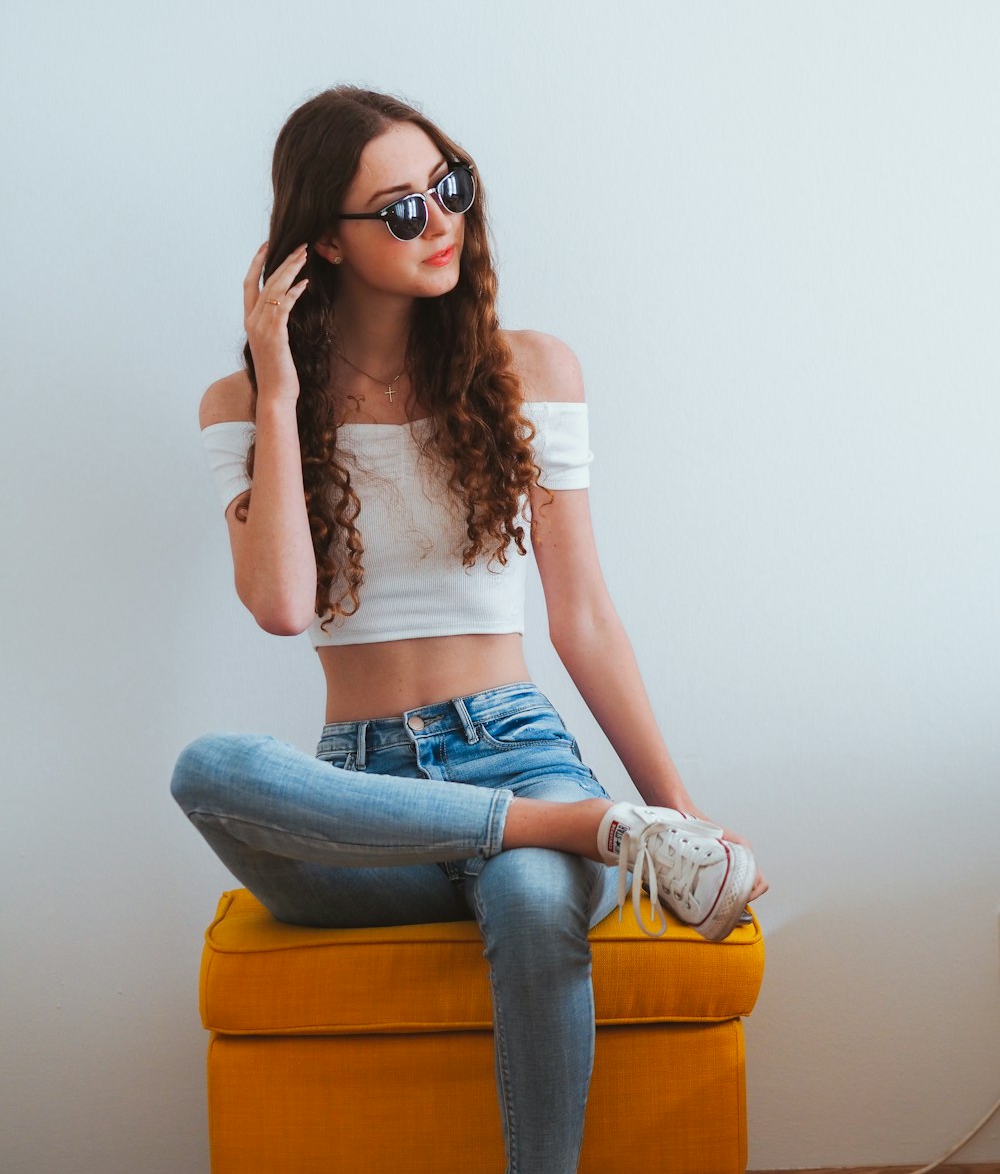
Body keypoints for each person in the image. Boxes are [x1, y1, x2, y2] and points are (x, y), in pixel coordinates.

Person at [171, 86, 768, 1174]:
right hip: (368, 797)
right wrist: (275, 392)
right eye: (400, 209)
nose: (439, 221)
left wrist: (682, 810)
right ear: (323, 245)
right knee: (206, 768)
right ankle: (594, 828)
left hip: (521, 749)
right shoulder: (241, 403)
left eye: (448, 189)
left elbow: (582, 616)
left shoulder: (529, 370)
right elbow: (282, 608)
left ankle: (591, 832)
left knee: (535, 901)